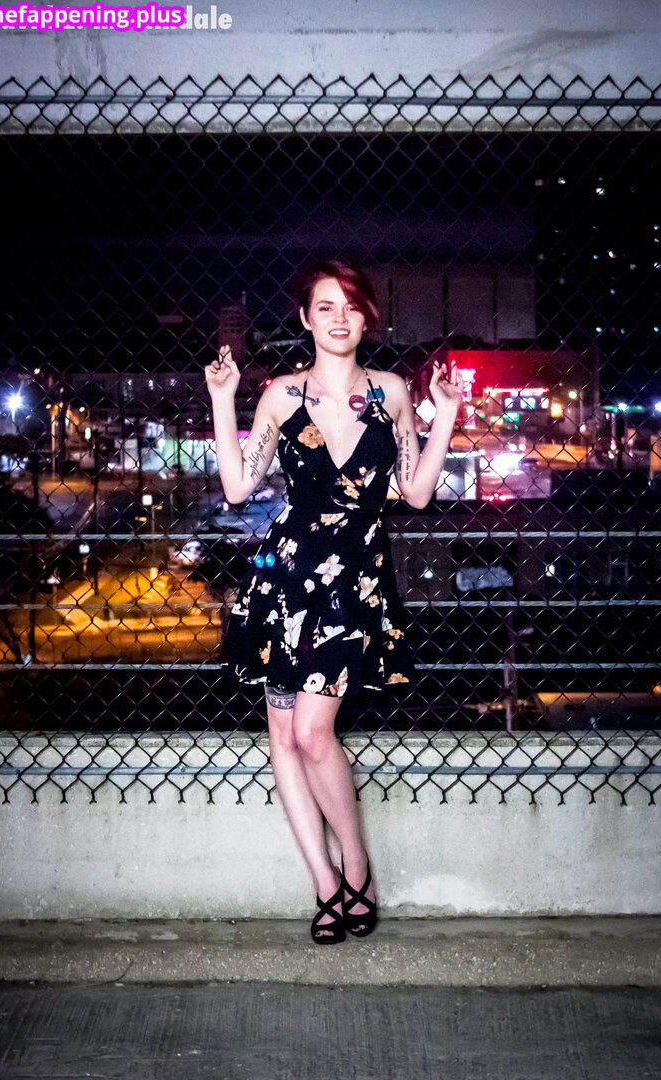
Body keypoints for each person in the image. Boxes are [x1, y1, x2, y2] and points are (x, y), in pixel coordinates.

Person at [205, 259, 463, 944]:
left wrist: (446, 415)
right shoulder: (281, 394)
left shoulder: (392, 392)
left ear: (366, 317)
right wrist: (224, 399)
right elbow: (238, 487)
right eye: (325, 306)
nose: (339, 317)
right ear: (305, 319)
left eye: (350, 305)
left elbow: (416, 492)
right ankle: (324, 885)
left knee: (314, 733)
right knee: (284, 736)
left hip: (355, 580)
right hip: (286, 579)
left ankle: (357, 867)